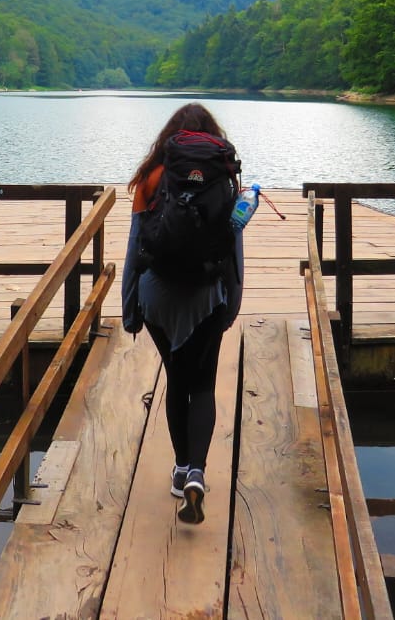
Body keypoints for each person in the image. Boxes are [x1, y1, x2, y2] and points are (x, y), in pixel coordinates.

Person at [120, 102, 245, 525]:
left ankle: (178, 470)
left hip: (157, 294)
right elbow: (232, 249)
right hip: (207, 295)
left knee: (177, 379)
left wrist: (129, 307)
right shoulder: (225, 177)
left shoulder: (151, 178)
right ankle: (197, 472)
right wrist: (232, 301)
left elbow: (135, 246)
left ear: (170, 138)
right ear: (212, 136)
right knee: (204, 384)